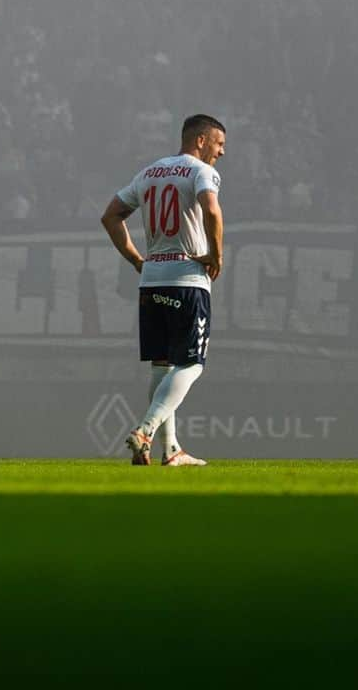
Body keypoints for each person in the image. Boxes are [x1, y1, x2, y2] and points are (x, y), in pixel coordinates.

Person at [99, 113, 226, 467]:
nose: (222, 152)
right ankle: (146, 430)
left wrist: (137, 259)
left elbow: (110, 216)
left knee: (162, 366)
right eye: (219, 144)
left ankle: (170, 451)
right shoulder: (201, 172)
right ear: (200, 140)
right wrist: (215, 254)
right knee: (193, 364)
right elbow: (212, 212)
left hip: (152, 278)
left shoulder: (149, 173)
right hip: (187, 277)